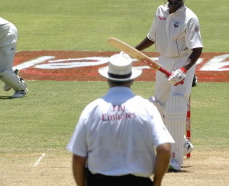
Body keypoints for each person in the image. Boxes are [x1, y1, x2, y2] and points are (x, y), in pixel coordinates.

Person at [67, 53, 174, 186]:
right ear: (132, 79)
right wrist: (157, 182)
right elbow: (164, 149)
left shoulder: (92, 109)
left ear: (108, 79)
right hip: (138, 182)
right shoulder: (146, 108)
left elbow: (78, 157)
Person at [135, 0, 203, 171]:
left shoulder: (190, 18)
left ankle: (174, 159)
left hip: (183, 61)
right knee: (157, 105)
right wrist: (135, 50)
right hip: (163, 60)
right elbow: (151, 37)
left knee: (176, 106)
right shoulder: (160, 11)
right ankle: (182, 141)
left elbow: (197, 49)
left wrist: (183, 70)